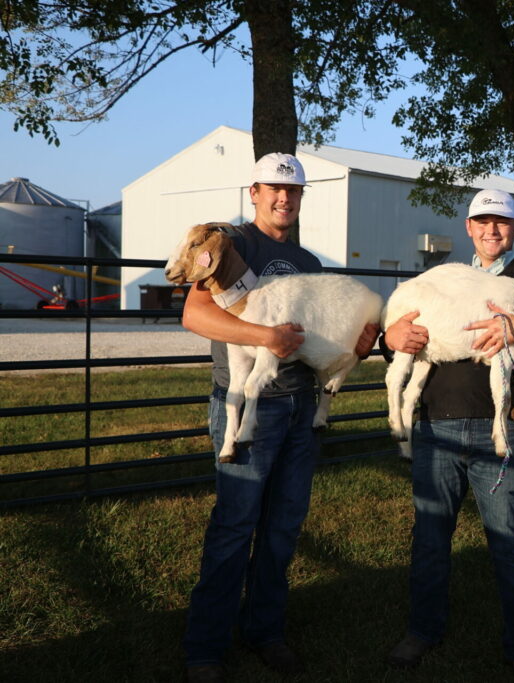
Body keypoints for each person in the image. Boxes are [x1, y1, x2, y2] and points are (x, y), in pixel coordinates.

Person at [181, 153, 379, 682]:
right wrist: (264, 337)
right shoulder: (234, 246)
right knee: (234, 524)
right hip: (248, 405)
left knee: (282, 527)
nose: (282, 198)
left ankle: (264, 630)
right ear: (255, 192)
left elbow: (322, 333)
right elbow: (195, 314)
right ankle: (206, 647)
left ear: (301, 197)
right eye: (273, 189)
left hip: (299, 404)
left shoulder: (310, 263)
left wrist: (359, 341)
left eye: (292, 191)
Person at [383, 189, 514, 683]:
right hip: (437, 424)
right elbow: (402, 345)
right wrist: (391, 341)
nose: (493, 231)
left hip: (503, 429)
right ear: (469, 228)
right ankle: (423, 630)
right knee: (429, 537)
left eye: (503, 223)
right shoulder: (440, 280)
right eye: (483, 222)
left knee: (510, 540)